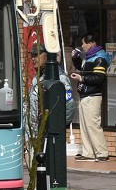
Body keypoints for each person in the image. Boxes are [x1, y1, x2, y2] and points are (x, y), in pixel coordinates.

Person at [70, 33, 111, 161]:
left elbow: (99, 78)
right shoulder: (89, 57)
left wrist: (81, 78)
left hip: (93, 95)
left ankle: (102, 153)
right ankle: (88, 153)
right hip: (85, 94)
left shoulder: (100, 58)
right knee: (84, 125)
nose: (82, 46)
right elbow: (82, 69)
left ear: (91, 43)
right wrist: (76, 58)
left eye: (84, 43)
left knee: (93, 125)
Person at [28, 44, 76, 129]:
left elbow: (70, 104)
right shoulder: (37, 78)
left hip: (50, 131)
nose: (33, 59)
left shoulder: (59, 78)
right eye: (32, 55)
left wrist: (60, 125)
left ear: (47, 56)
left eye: (36, 55)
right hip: (36, 130)